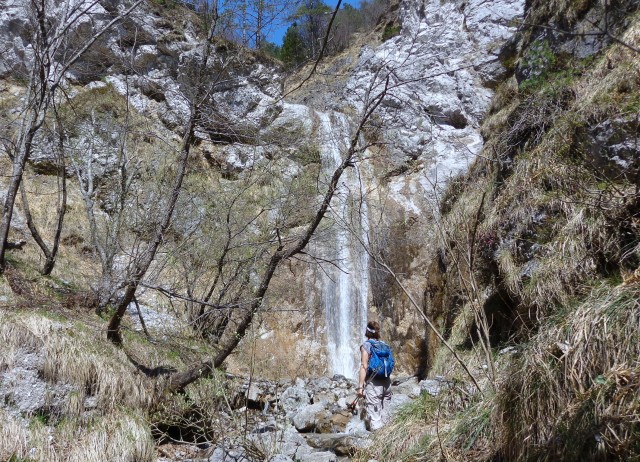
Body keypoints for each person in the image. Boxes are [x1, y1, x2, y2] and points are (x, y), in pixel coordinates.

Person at [356, 320, 392, 431]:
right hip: (387, 383)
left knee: (376, 420)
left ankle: (380, 445)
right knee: (387, 419)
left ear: (367, 332)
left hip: (374, 384)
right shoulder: (384, 345)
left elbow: (364, 366)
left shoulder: (367, 346)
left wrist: (361, 387)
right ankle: (389, 441)